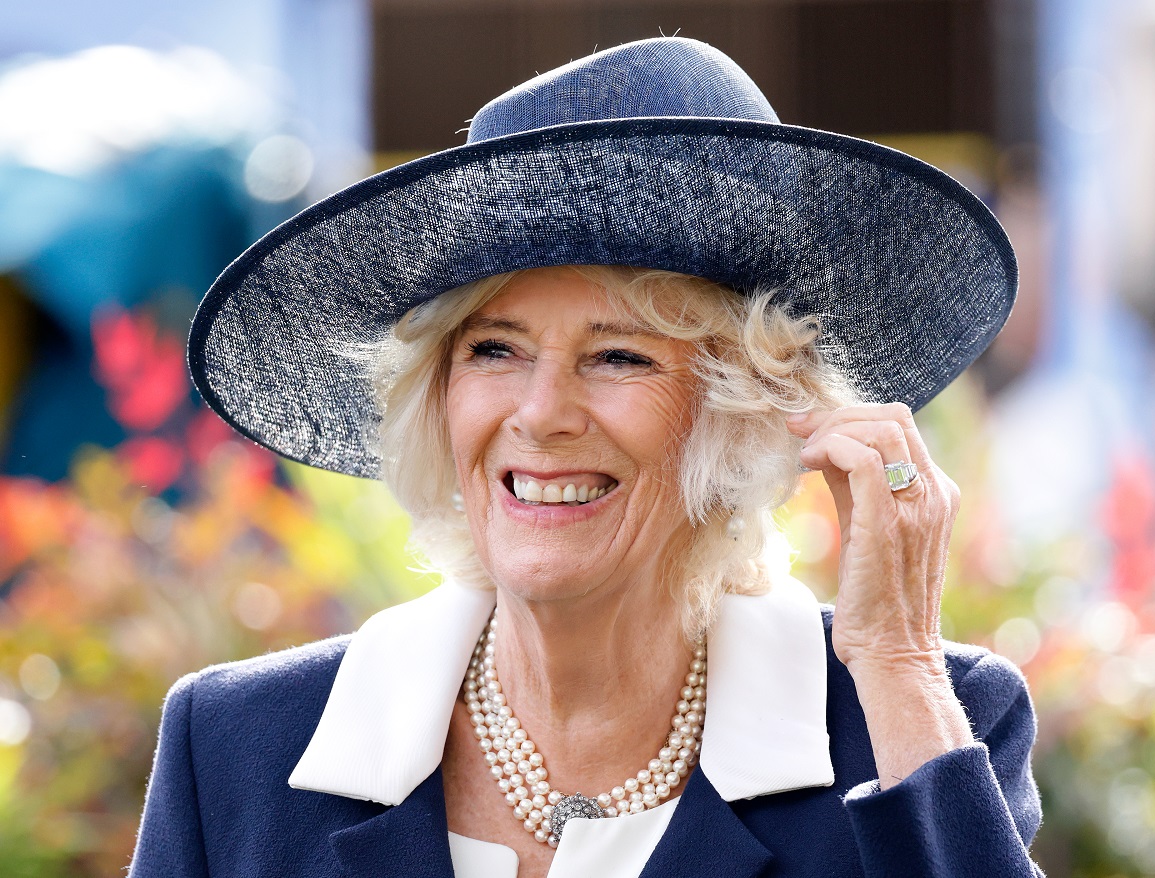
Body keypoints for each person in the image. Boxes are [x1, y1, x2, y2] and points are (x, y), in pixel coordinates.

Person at [130, 37, 1041, 878]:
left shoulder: (915, 726)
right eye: (494, 349)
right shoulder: (240, 749)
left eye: (620, 356)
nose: (541, 414)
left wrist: (895, 658)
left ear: (743, 411)